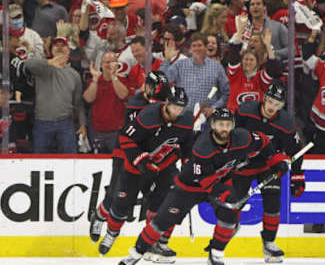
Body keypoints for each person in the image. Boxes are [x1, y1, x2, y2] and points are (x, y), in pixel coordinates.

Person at [118, 108, 290, 265]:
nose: (224, 128)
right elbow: (206, 181)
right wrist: (222, 196)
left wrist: (275, 160)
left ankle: (215, 254)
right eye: (221, 124)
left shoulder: (242, 137)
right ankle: (135, 253)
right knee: (161, 222)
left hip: (219, 183)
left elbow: (265, 142)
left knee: (230, 215)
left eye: (228, 124)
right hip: (188, 187)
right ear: (213, 125)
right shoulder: (203, 147)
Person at [95, 87, 194, 258]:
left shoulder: (186, 120)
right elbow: (125, 137)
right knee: (121, 204)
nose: (178, 112)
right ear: (167, 104)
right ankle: (111, 234)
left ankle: (153, 242)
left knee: (163, 200)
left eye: (181, 108)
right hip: (137, 166)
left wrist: (187, 165)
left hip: (163, 166)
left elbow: (186, 146)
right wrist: (141, 160)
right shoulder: (149, 116)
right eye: (175, 107)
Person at [89, 71, 171, 256]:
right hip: (126, 154)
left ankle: (153, 241)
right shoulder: (136, 103)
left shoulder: (165, 104)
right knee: (114, 197)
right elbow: (133, 138)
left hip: (152, 159)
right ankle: (100, 217)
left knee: (152, 199)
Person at [234, 81, 305, 263]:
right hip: (244, 165)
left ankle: (269, 242)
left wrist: (297, 176)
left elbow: (296, 150)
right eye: (271, 102)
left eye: (278, 104)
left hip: (268, 165)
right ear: (264, 98)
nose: (273, 107)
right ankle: (226, 232)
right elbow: (230, 136)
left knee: (273, 203)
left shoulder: (287, 123)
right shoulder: (245, 112)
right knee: (233, 204)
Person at [24, 37, 86, 153]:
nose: (59, 48)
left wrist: (82, 124)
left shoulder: (74, 75)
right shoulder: (42, 68)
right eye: (56, 45)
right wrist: (49, 62)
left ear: (68, 50)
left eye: (63, 45)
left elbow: (78, 103)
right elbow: (27, 64)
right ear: (51, 50)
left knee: (69, 161)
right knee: (40, 162)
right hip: (42, 123)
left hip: (66, 124)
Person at [161, 32, 230, 115]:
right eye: (194, 46)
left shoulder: (217, 67)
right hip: (183, 115)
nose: (197, 48)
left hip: (206, 117)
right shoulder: (180, 65)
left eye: (199, 45)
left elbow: (226, 93)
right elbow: (162, 81)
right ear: (190, 48)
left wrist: (214, 108)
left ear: (206, 47)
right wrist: (167, 60)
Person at [83, 51, 130, 152]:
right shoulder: (94, 82)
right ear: (101, 64)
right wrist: (95, 80)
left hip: (116, 131)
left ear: (117, 64)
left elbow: (123, 95)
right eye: (106, 62)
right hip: (97, 131)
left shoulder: (123, 80)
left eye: (112, 62)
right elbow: (88, 98)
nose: (109, 65)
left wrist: (114, 77)